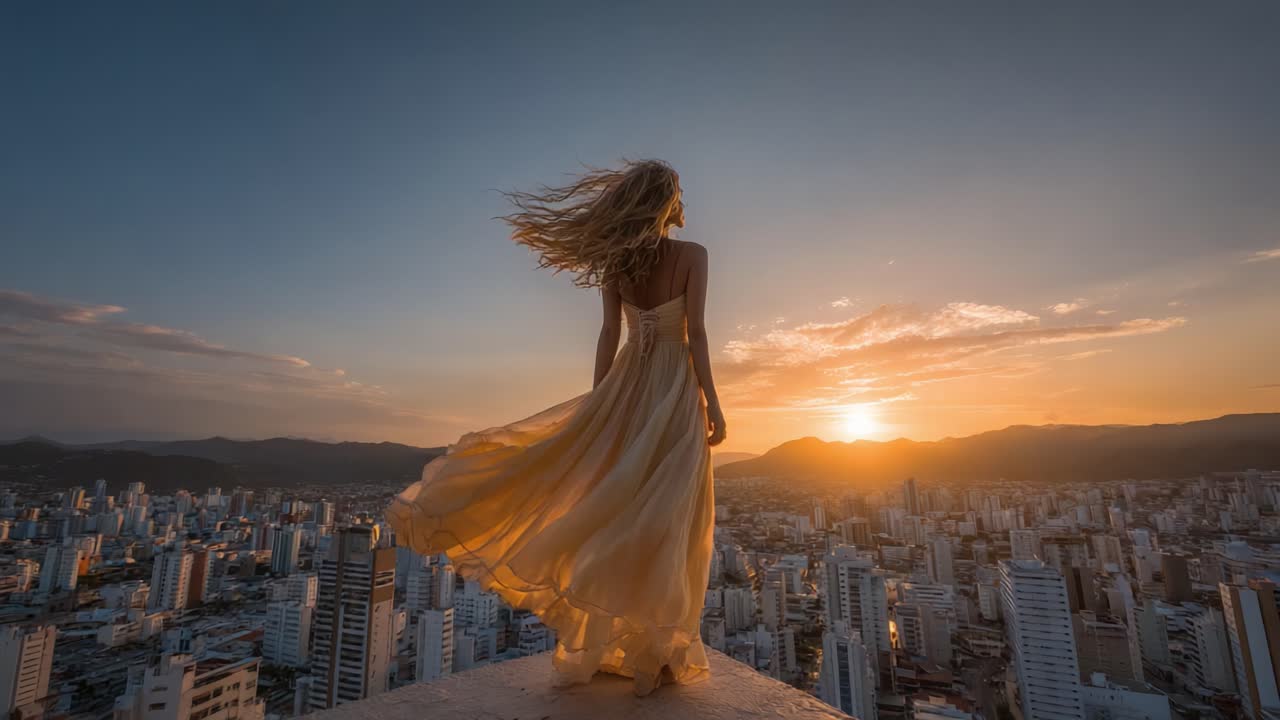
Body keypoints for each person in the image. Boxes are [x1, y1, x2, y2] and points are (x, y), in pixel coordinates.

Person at [386, 158, 725, 696]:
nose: (685, 202)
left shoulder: (617, 262)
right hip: (672, 392)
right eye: (679, 192)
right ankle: (652, 652)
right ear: (666, 201)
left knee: (623, 509)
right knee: (669, 518)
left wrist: (600, 404)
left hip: (626, 389)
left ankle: (629, 643)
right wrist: (713, 401)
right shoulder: (694, 256)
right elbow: (698, 334)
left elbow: (608, 333)